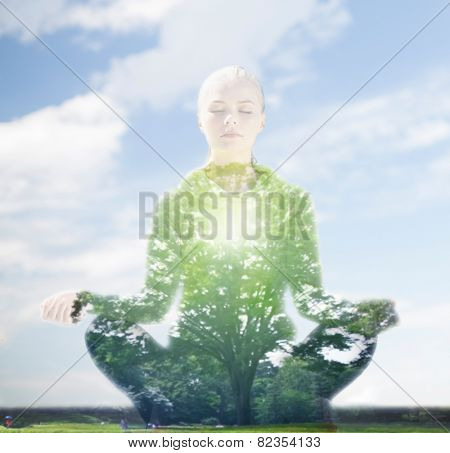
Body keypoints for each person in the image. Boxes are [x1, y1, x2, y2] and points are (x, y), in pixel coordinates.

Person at [41, 66, 398, 425]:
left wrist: (360, 316)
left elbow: (309, 297)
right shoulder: (176, 204)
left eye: (245, 110)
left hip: (268, 356)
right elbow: (152, 303)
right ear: (200, 121)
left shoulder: (291, 201)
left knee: (354, 334)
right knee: (107, 330)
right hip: (194, 362)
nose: (231, 120)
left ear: (261, 121)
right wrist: (87, 300)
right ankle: (180, 406)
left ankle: (266, 402)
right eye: (217, 110)